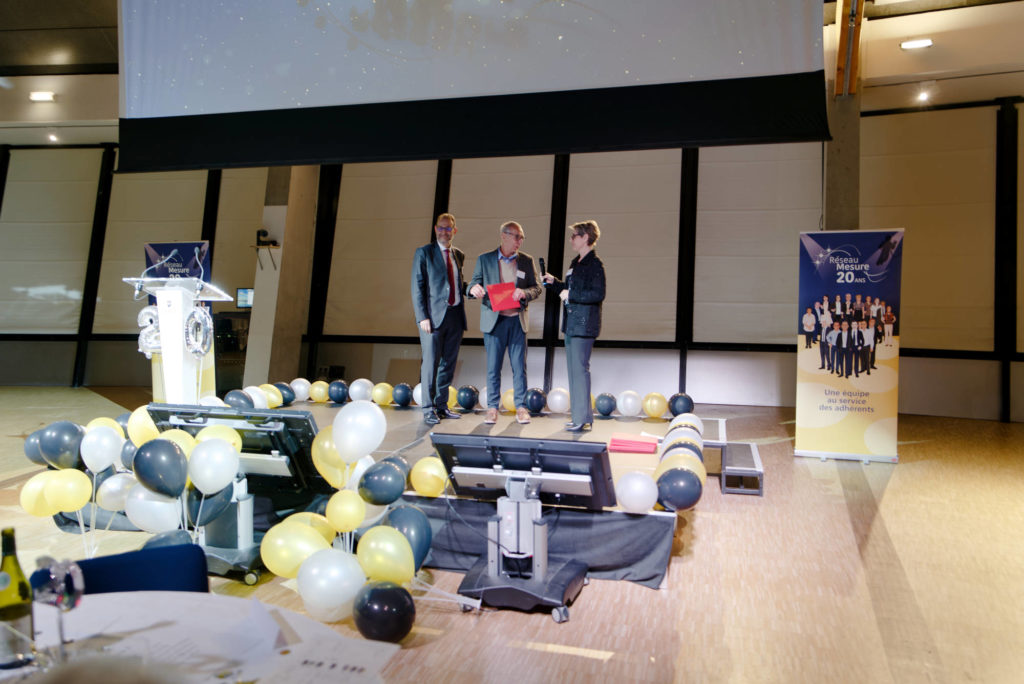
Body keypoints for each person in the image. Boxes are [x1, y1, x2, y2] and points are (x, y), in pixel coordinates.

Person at [468, 221, 543, 425]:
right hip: (495, 322)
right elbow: (473, 283)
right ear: (504, 235)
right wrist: (473, 289)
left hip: (517, 321)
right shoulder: (485, 259)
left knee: (519, 368)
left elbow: (537, 288)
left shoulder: (526, 260)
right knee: (493, 368)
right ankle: (492, 408)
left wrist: (524, 292)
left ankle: (521, 408)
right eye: (516, 236)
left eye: (521, 237)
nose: (519, 241)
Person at [542, 220, 606, 432]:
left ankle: (583, 418)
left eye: (574, 236)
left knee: (580, 371)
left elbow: (597, 294)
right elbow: (567, 290)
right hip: (571, 324)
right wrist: (554, 283)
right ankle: (578, 416)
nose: (571, 240)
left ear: (585, 238)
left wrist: (572, 294)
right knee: (573, 371)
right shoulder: (575, 263)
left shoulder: (594, 264)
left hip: (584, 325)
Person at [411, 213, 467, 425]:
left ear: (455, 230)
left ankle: (441, 406)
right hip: (432, 319)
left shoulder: (458, 255)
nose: (444, 232)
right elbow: (417, 287)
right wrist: (422, 317)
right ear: (435, 229)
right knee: (430, 363)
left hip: (455, 315)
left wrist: (472, 290)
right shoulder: (424, 253)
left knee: (448, 364)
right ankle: (428, 408)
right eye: (441, 228)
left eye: (448, 228)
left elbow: (458, 284)